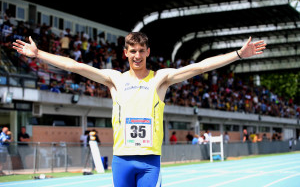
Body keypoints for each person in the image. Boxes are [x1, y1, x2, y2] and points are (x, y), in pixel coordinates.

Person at [13, 32, 266, 187]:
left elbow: (200, 67)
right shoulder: (115, 79)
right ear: (126, 53)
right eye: (132, 51)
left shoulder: (161, 79)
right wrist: (39, 54)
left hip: (149, 163)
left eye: (141, 51)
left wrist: (238, 55)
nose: (137, 56)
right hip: (122, 160)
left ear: (148, 52)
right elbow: (75, 66)